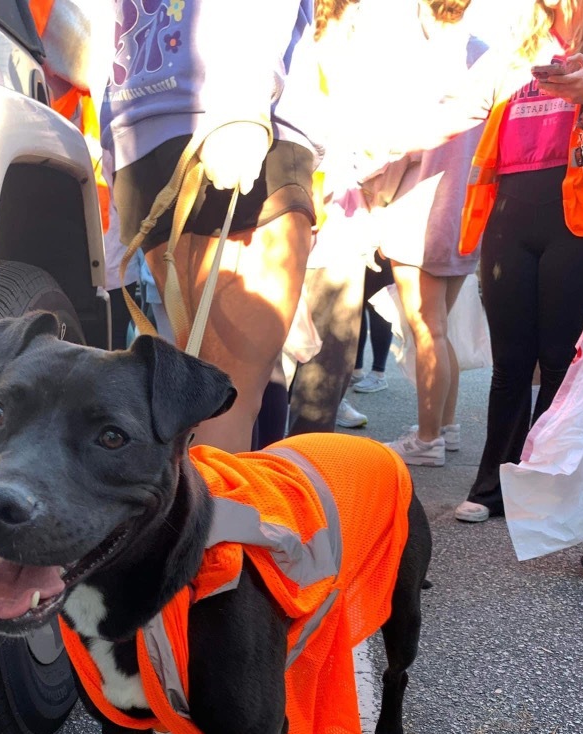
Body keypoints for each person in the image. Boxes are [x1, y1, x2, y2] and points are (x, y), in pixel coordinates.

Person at [100, 1, 323, 454]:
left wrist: (112, 146)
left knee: (200, 382)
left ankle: (200, 518)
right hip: (229, 115)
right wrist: (242, 100)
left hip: (138, 119)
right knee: (225, 394)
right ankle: (215, 523)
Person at [455, 0, 583, 521]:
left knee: (560, 358)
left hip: (578, 217)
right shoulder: (510, 50)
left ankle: (539, 486)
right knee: (510, 360)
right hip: (510, 212)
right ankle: (491, 483)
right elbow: (455, 109)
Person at [363, 0, 494, 468]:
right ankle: (445, 425)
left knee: (427, 328)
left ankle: (427, 437)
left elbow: (398, 146)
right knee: (441, 329)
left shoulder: (419, 63)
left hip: (420, 206)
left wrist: (372, 189)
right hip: (469, 210)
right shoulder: (485, 54)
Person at [287, 0, 372, 437]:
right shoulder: (322, 60)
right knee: (321, 373)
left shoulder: (301, 52)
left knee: (292, 374)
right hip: (321, 229)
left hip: (312, 226)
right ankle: (301, 478)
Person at [351, 255, 395, 393]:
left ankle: (378, 373)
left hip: (381, 246)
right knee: (356, 307)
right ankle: (356, 370)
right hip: (357, 246)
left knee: (378, 307)